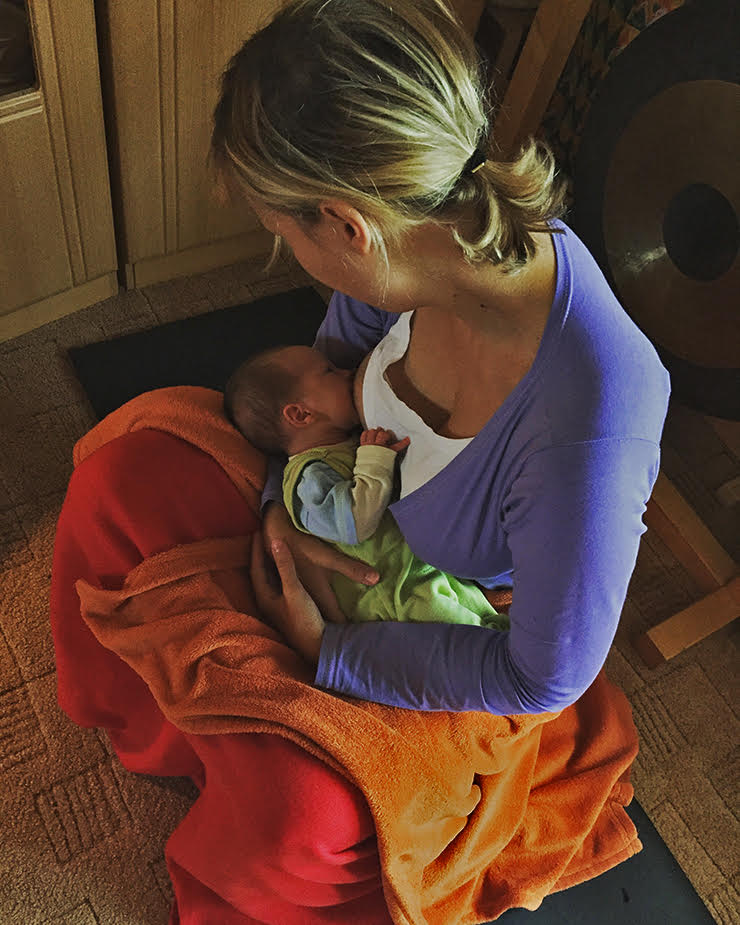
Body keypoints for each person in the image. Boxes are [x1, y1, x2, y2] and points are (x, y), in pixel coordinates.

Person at [49, 0, 670, 921]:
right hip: (333, 503)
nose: (295, 260)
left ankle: (244, 768)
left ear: (347, 226)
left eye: (286, 236)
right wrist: (284, 510)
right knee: (119, 475)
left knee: (296, 819)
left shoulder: (591, 421)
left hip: (438, 622)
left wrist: (328, 650)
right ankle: (185, 742)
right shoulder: (416, 248)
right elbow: (329, 373)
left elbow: (540, 676)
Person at [224, 343, 508, 628]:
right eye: (329, 371)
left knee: (485, 617)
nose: (348, 372)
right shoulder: (307, 478)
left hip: (419, 571)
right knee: (470, 633)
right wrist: (375, 460)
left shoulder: (343, 446)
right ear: (300, 415)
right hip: (391, 593)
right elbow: (354, 522)